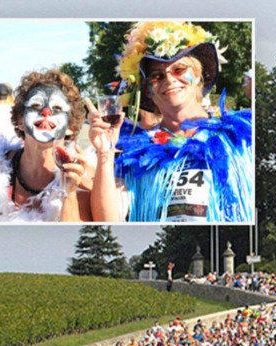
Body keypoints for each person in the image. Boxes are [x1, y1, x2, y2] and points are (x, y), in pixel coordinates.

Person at [96, 21, 254, 222]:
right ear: (148, 91)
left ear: (197, 75)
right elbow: (108, 218)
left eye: (179, 69)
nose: (169, 80)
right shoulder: (136, 154)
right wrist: (105, 151)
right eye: (157, 76)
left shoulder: (241, 137)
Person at [0, 69, 111, 221]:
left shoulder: (86, 177)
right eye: (35, 105)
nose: (46, 112)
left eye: (57, 108)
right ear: (20, 121)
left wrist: (69, 192)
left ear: (70, 127)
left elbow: (75, 238)